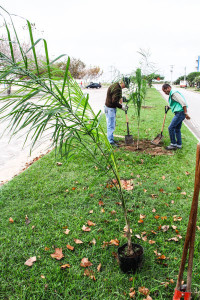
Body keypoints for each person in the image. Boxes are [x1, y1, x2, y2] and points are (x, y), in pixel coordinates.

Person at [162, 83, 190, 150]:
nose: (165, 93)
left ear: (168, 88)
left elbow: (183, 103)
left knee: (171, 128)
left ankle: (173, 144)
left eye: (165, 91)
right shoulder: (172, 93)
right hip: (179, 112)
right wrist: (169, 106)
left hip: (180, 113)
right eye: (164, 92)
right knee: (177, 129)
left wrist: (186, 113)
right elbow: (176, 103)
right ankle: (179, 145)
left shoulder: (174, 93)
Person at [105, 78, 129, 146]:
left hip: (109, 108)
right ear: (123, 83)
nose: (125, 87)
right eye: (125, 85)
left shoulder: (117, 86)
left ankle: (111, 138)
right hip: (110, 109)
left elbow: (119, 98)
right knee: (111, 125)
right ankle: (110, 142)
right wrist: (122, 107)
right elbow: (114, 101)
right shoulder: (116, 88)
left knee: (112, 124)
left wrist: (122, 103)